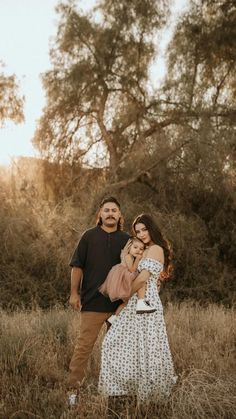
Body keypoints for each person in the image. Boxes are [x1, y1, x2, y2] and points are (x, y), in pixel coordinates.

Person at [98, 213, 177, 402]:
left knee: (146, 346)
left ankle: (151, 394)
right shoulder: (145, 249)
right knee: (121, 344)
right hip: (135, 302)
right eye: (137, 231)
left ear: (152, 229)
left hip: (145, 303)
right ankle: (129, 389)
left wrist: (124, 294)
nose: (141, 234)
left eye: (144, 229)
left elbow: (142, 278)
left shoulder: (156, 248)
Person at [67, 197, 130, 405]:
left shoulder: (127, 240)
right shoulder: (88, 237)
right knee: (83, 347)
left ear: (120, 215)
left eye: (114, 210)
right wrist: (74, 293)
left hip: (119, 307)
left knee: (119, 349)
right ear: (100, 215)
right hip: (92, 302)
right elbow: (77, 266)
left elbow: (136, 270)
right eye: (106, 210)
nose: (110, 213)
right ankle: (72, 391)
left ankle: (116, 392)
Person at [99, 236, 157, 325]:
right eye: (135, 247)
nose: (138, 250)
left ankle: (113, 318)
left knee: (127, 302)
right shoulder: (128, 257)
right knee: (140, 284)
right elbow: (132, 269)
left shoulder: (131, 256)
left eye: (141, 249)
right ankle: (141, 302)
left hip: (127, 277)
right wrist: (138, 259)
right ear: (128, 248)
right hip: (124, 278)